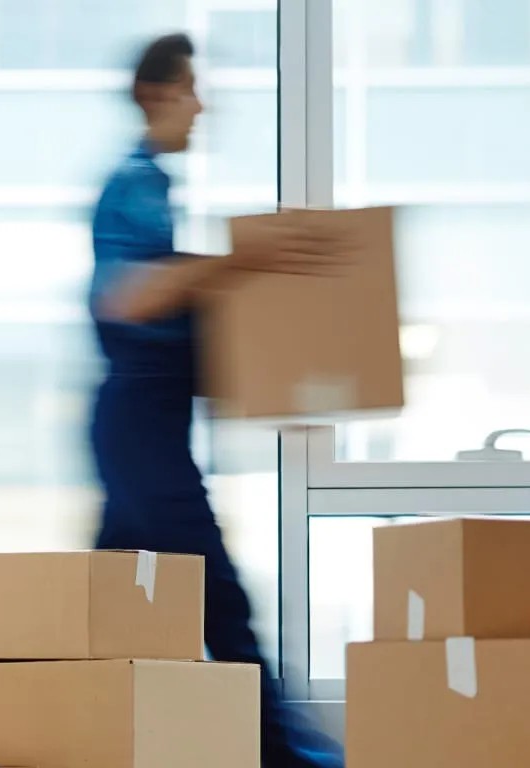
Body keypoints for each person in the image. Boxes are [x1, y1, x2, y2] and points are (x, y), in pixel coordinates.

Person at [88, 33, 346, 768]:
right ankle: (284, 756)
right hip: (139, 430)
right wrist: (246, 259)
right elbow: (129, 298)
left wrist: (275, 379)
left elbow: (174, 322)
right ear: (158, 94)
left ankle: (59, 730)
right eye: (192, 89)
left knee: (104, 609)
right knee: (218, 596)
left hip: (148, 428)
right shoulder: (133, 182)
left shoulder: (153, 187)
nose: (203, 106)